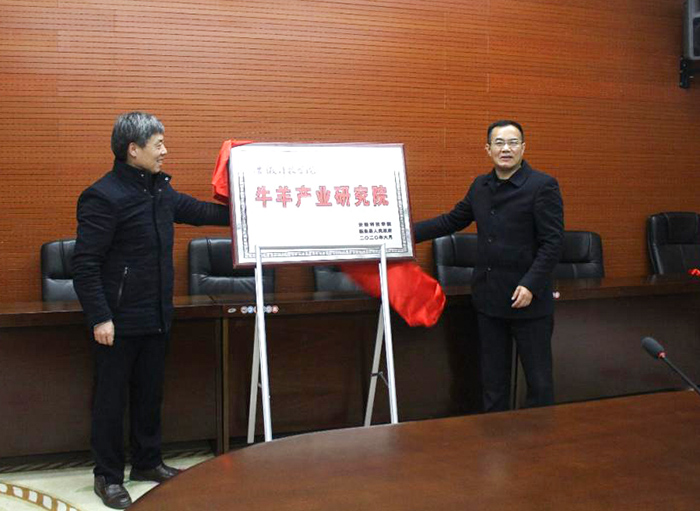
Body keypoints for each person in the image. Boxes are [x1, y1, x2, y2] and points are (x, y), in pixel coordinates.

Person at [72, 112, 230, 509]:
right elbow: (85, 264)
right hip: (117, 320)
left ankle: (147, 462)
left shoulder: (160, 191)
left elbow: (202, 213)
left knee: (149, 395)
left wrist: (250, 210)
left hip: (157, 315)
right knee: (111, 401)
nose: (165, 151)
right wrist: (100, 317)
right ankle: (107, 477)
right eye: (158, 144)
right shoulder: (103, 196)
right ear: (133, 149)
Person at [414, 120, 564, 413]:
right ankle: (496, 438)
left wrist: (531, 284)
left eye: (512, 142)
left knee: (539, 383)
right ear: (488, 149)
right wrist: (403, 234)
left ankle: (541, 439)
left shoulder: (542, 186)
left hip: (528, 302)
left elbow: (553, 243)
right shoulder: (480, 186)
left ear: (523, 148)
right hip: (489, 299)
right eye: (499, 143)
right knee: (493, 383)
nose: (506, 149)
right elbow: (451, 220)